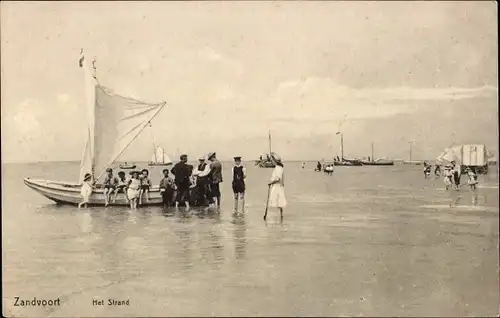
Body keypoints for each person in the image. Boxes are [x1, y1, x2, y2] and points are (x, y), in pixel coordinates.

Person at [264, 152, 287, 221]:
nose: (271, 162)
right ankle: (280, 218)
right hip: (279, 186)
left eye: (272, 160)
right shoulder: (279, 167)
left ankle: (273, 218)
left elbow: (277, 179)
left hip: (277, 186)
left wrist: (270, 183)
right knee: (279, 203)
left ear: (274, 161)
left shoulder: (278, 168)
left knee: (275, 202)